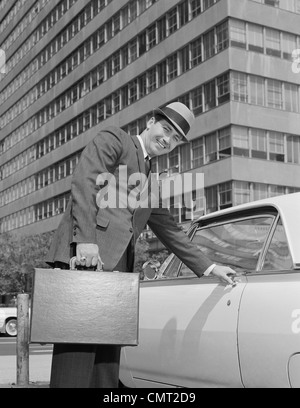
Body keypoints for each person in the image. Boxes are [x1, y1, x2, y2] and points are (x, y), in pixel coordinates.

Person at [45, 102, 236, 388]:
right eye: (165, 129)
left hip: (119, 274)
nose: (167, 140)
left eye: (174, 139)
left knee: (107, 363)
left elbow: (169, 230)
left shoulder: (152, 180)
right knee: (77, 359)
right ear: (150, 122)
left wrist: (209, 266)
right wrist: (86, 241)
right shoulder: (115, 140)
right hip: (86, 261)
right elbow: (85, 183)